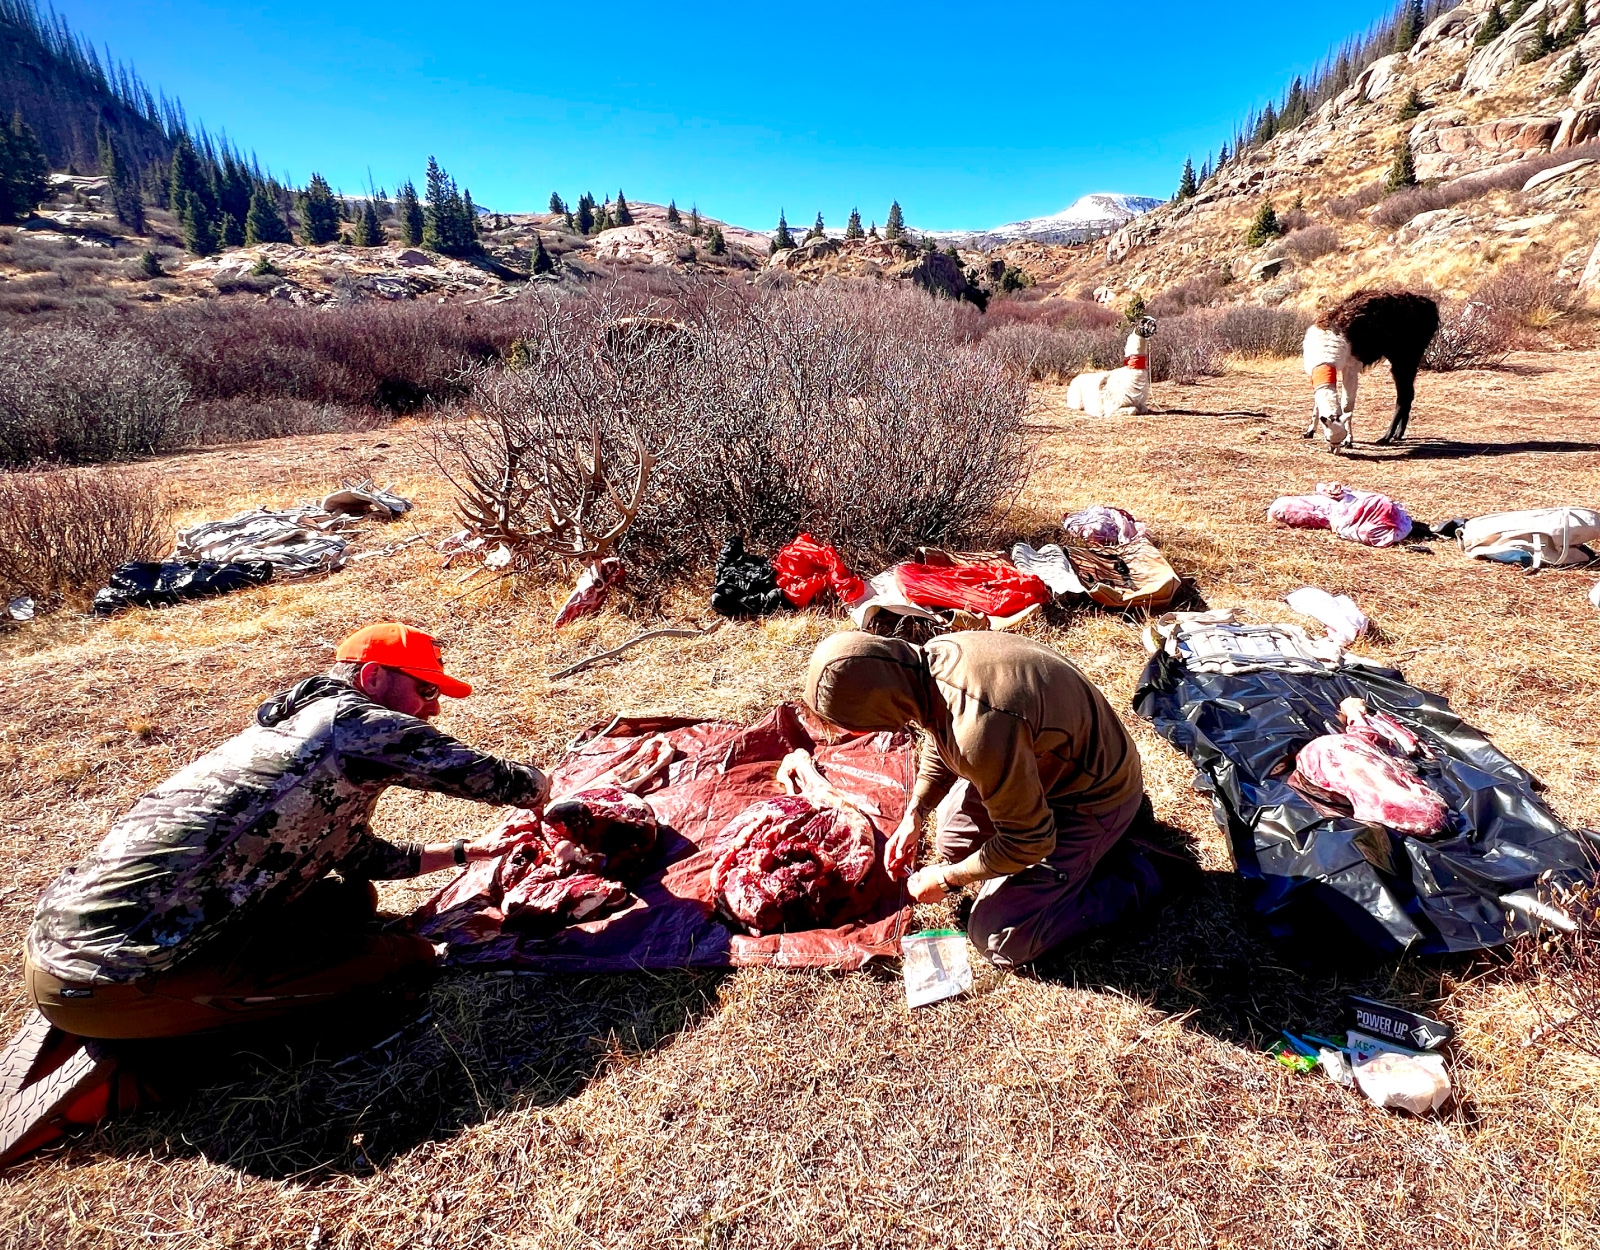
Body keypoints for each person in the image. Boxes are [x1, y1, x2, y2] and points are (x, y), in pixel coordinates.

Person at [1, 622, 549, 1166]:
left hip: (80, 941)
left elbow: (358, 856)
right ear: (374, 676)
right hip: (113, 975)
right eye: (425, 689)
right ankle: (144, 1063)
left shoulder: (299, 735)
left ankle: (127, 1011)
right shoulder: (352, 724)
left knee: (349, 902)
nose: (431, 708)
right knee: (397, 961)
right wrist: (550, 792)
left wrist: (463, 852)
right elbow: (487, 777)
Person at [804, 630, 1163, 968]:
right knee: (952, 839)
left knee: (998, 938)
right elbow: (937, 730)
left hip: (1094, 798)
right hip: (1044, 764)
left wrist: (947, 879)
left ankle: (1135, 877)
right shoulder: (931, 660)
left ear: (878, 703)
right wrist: (916, 812)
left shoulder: (979, 726)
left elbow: (1030, 841)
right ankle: (1064, 856)